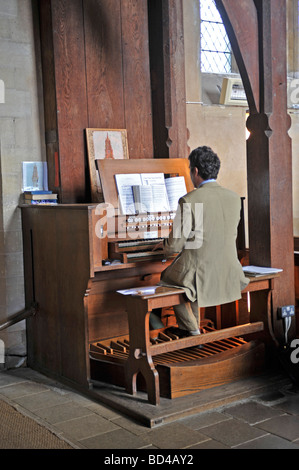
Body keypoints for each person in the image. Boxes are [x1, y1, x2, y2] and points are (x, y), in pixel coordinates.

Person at [153, 146, 249, 337]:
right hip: (229, 267)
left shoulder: (189, 200)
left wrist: (161, 245)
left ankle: (192, 331)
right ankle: (192, 328)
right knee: (188, 279)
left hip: (201, 270)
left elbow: (173, 246)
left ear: (195, 170)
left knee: (167, 280)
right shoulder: (233, 198)